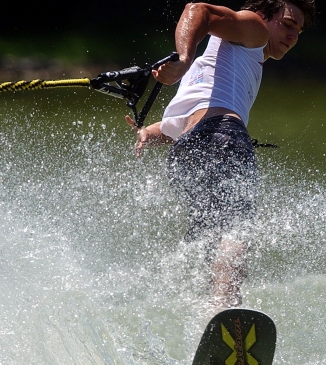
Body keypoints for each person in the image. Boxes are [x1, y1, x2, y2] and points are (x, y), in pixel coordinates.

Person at [125, 0, 316, 308]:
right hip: (224, 135)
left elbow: (180, 126)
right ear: (264, 17)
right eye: (288, 24)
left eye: (299, 31)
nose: (293, 36)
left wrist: (147, 133)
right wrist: (184, 58)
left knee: (209, 240)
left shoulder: (215, 67)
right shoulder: (254, 30)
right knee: (237, 228)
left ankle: (209, 316)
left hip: (186, 151)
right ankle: (225, 308)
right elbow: (198, 10)